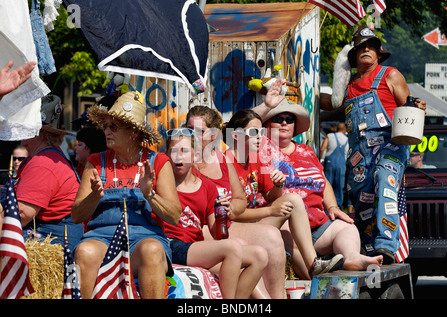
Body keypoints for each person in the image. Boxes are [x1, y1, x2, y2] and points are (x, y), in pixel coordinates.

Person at [320, 25, 427, 263]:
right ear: (353, 56)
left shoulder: (390, 75)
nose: (366, 49)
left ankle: (387, 244)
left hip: (390, 145)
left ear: (378, 53)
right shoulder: (347, 89)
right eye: (360, 47)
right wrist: (302, 92)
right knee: (363, 200)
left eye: (371, 46)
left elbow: (408, 107)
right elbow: (329, 103)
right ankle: (370, 252)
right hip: (359, 154)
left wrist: (417, 107)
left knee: (383, 179)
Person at [253, 95, 383, 275]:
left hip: (317, 224)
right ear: (266, 124)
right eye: (278, 119)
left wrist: (332, 206)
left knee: (346, 227)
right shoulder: (257, 149)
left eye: (289, 120)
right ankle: (315, 275)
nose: (284, 123)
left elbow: (324, 181)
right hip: (283, 223)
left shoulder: (306, 151)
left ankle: (351, 257)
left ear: (295, 126)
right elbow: (235, 131)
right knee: (287, 235)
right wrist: (265, 106)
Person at [71, 91, 182, 299]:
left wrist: (150, 195)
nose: (106, 131)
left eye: (114, 126)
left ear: (133, 132)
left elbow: (174, 216)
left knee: (153, 249)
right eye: (105, 126)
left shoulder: (158, 162)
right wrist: (94, 196)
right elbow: (77, 215)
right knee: (84, 252)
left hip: (145, 237)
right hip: (101, 237)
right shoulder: (95, 161)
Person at [224, 109, 344, 280]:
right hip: (233, 229)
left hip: (254, 224)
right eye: (254, 132)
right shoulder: (225, 163)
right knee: (280, 232)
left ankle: (313, 264)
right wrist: (270, 212)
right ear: (235, 136)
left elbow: (273, 198)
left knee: (293, 200)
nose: (260, 137)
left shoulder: (255, 159)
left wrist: (278, 185)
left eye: (261, 132)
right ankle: (311, 277)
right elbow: (232, 213)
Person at [185, 105, 286, 299]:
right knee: (238, 246)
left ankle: (278, 297)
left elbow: (240, 200)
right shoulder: (183, 160)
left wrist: (230, 206)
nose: (192, 135)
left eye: (199, 131)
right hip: (202, 225)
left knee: (272, 236)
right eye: (189, 130)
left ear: (214, 135)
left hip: (225, 222)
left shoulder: (222, 160)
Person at [163, 128, 268, 298]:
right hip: (170, 244)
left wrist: (222, 215)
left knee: (259, 256)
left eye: (184, 151)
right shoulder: (161, 183)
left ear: (195, 155)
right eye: (173, 151)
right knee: (232, 248)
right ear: (166, 154)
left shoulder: (207, 187)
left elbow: (218, 236)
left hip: (193, 247)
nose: (178, 156)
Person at [0, 96, 83, 252]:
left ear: (36, 133)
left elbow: (21, 214)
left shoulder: (43, 163)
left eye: (24, 129)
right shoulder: (45, 158)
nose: (21, 136)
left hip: (49, 239)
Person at [319, 123, 348, 208]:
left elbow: (322, 149)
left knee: (328, 185)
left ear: (336, 129)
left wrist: (320, 159)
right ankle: (338, 207)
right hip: (341, 165)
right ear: (344, 130)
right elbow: (347, 154)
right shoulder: (346, 139)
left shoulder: (330, 136)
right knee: (339, 187)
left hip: (329, 163)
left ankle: (325, 208)